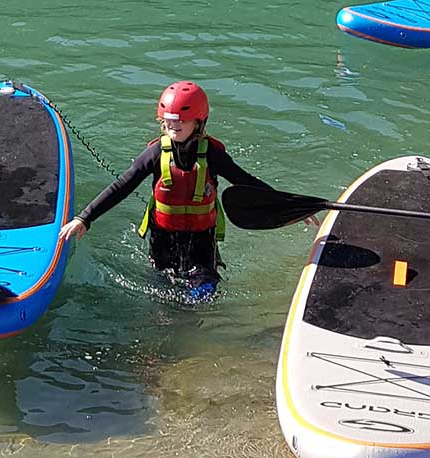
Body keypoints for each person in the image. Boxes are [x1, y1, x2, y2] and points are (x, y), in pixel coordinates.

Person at [57, 81, 286, 300]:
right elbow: (122, 186)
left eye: (180, 121)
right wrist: (84, 218)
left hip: (202, 243)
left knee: (204, 296)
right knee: (162, 297)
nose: (172, 126)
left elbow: (244, 181)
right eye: (167, 122)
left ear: (198, 122)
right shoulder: (156, 153)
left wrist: (287, 206)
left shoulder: (213, 155)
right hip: (163, 241)